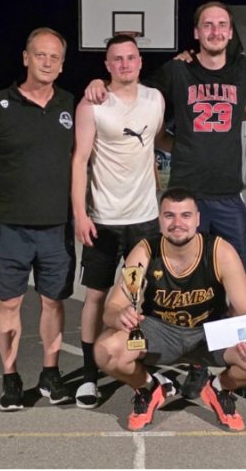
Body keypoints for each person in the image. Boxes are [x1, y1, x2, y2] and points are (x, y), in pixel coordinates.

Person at [85, 3, 246, 399]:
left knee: (240, 286)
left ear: (230, 31)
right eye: (207, 25)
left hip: (228, 197)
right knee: (186, 282)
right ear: (196, 33)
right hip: (186, 199)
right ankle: (190, 362)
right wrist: (98, 82)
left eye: (221, 24)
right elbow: (130, 87)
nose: (215, 30)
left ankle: (234, 362)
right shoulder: (177, 71)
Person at [95, 188, 246, 431]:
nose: (177, 223)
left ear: (198, 219)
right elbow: (112, 308)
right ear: (159, 219)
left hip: (209, 334)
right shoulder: (144, 252)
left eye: (185, 215)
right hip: (159, 333)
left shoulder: (220, 251)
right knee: (106, 351)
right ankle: (150, 387)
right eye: (169, 215)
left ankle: (219, 388)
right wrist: (119, 316)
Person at [0, 27, 76, 411]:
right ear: (26, 58)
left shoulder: (70, 105)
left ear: (62, 65)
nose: (47, 62)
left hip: (57, 227)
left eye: (54, 57)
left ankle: (50, 372)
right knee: (9, 304)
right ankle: (10, 377)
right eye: (40, 54)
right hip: (9, 226)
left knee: (53, 302)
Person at [71, 34, 164, 408]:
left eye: (131, 57)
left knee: (142, 294)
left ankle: (140, 366)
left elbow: (151, 149)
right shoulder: (92, 103)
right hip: (104, 220)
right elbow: (80, 160)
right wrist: (80, 214)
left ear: (140, 61)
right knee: (95, 296)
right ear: (107, 65)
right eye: (117, 59)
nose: (125, 64)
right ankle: (89, 376)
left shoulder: (155, 99)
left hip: (145, 220)